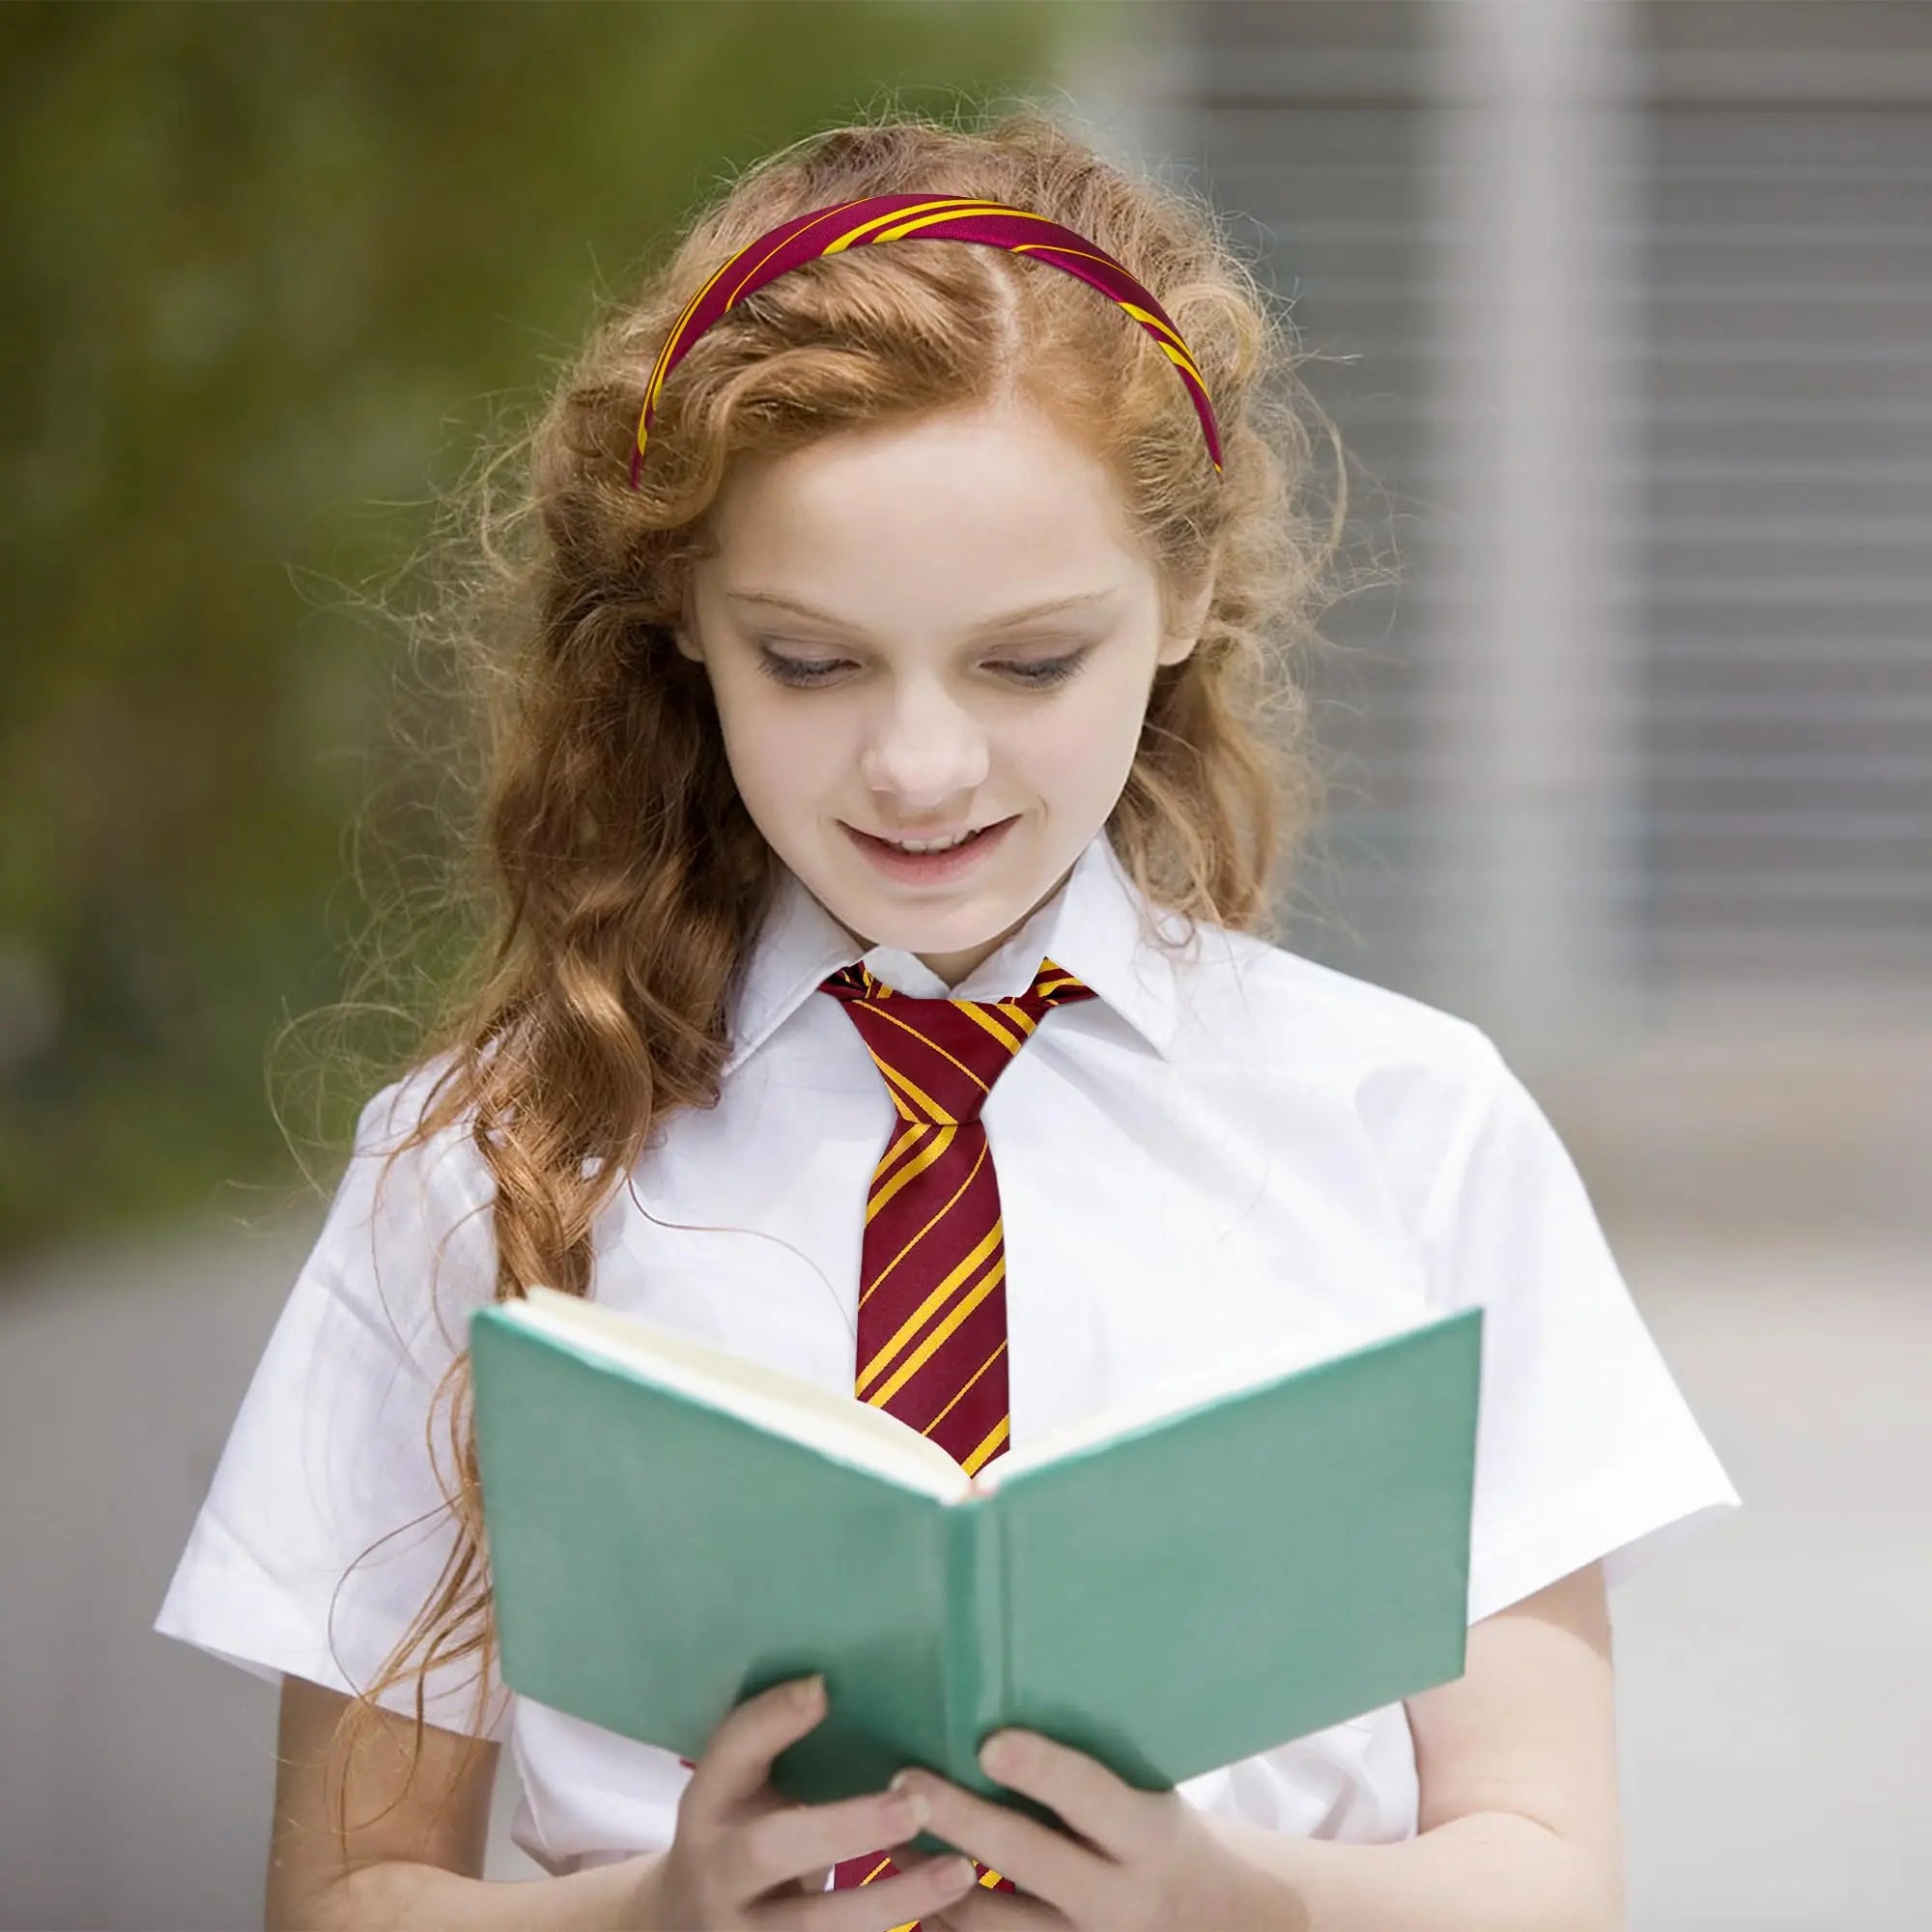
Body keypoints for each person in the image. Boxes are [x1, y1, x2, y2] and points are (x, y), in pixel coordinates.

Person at [153, 102, 1739, 1932]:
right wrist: (658, 1914)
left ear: (1185, 597)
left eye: (1026, 661)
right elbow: (343, 1898)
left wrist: (1215, 1899)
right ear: (684, 613)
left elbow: (1548, 1876)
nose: (918, 766)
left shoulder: (1407, 1126)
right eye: (810, 660)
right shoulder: (493, 1152)